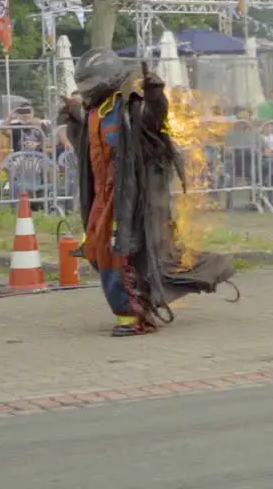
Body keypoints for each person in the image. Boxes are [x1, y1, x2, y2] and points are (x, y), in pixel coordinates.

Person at [59, 49, 236, 338]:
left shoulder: (131, 109)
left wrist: (155, 96)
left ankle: (136, 316)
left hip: (131, 199)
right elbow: (82, 132)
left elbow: (155, 120)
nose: (87, 90)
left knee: (122, 256)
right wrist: (70, 111)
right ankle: (135, 308)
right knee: (99, 252)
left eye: (92, 82)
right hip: (102, 199)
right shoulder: (91, 114)